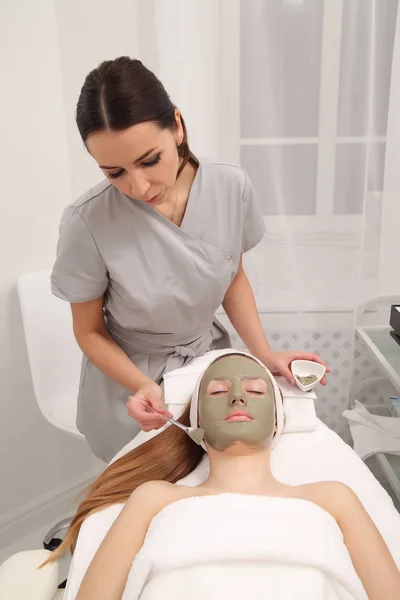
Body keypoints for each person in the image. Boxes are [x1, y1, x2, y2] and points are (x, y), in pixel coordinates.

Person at [51, 56, 329, 462]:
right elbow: (89, 331)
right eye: (115, 173)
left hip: (206, 370)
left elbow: (231, 276)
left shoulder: (229, 186)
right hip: (129, 386)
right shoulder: (88, 221)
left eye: (149, 161)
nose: (138, 185)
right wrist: (142, 385)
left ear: (177, 126)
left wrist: (263, 354)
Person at [45, 353, 399, 600]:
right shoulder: (154, 497)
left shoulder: (332, 497)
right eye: (217, 392)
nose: (238, 398)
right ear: (194, 425)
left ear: (279, 423)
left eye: (257, 391)